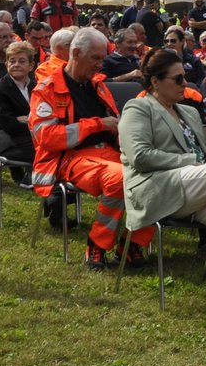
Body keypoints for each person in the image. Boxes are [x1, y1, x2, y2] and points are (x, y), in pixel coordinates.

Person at [119, 49, 206, 320]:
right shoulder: (138, 108)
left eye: (185, 77)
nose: (185, 84)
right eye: (178, 79)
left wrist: (201, 167)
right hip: (157, 188)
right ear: (155, 82)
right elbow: (139, 156)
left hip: (195, 189)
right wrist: (188, 162)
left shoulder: (188, 111)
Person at [30, 28, 155, 268]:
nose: (101, 64)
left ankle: (132, 245)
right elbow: (47, 138)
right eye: (95, 58)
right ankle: (97, 246)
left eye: (103, 57)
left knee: (155, 174)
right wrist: (97, 124)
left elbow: (115, 123)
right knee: (119, 179)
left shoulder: (97, 86)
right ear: (75, 53)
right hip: (69, 158)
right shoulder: (46, 89)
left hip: (109, 154)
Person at [0, 40, 38, 184]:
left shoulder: (36, 87)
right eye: (12, 61)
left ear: (31, 66)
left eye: (22, 61)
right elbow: (9, 124)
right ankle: (32, 177)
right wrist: (33, 122)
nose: (16, 65)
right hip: (10, 142)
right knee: (46, 148)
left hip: (33, 137)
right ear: (6, 64)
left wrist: (26, 119)